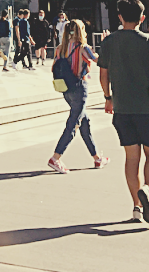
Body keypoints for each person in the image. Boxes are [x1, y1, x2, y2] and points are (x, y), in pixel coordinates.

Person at [98, 0, 149, 224]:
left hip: (122, 109)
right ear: (142, 18)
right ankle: (147, 189)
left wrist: (108, 98)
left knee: (131, 159)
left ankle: (136, 208)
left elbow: (103, 74)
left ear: (119, 17)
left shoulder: (109, 42)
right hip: (146, 108)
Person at [47, 19, 109, 174]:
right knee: (73, 124)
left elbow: (54, 67)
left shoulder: (60, 48)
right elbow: (99, 60)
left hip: (66, 89)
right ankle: (56, 157)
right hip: (79, 88)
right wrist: (105, 45)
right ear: (81, 31)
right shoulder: (83, 48)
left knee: (84, 122)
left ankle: (96, 158)